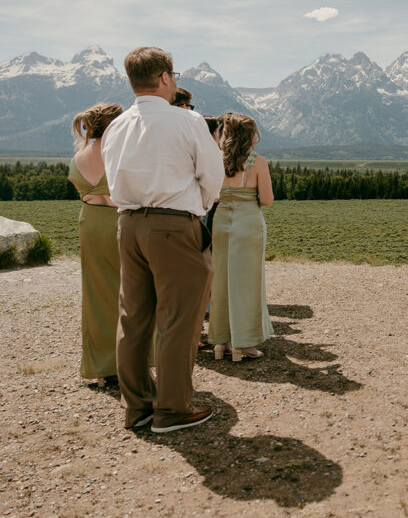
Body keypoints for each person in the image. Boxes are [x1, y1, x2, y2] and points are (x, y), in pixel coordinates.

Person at [102, 46, 223, 433]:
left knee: (133, 318)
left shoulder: (117, 126)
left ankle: (137, 407)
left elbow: (111, 178)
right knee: (179, 319)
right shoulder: (186, 122)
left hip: (128, 224)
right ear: (166, 78)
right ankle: (172, 409)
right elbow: (212, 176)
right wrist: (195, 210)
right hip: (174, 224)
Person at [208, 113, 274, 362]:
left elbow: (212, 196)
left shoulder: (216, 161)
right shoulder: (258, 163)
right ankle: (243, 343)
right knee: (247, 282)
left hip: (222, 220)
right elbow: (266, 200)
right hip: (248, 223)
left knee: (221, 279)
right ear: (250, 135)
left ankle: (220, 341)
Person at [68, 103, 124, 388]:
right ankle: (132, 361)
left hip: (90, 223)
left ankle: (102, 366)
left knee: (96, 293)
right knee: (131, 293)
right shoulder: (119, 152)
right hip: (118, 222)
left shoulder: (80, 156)